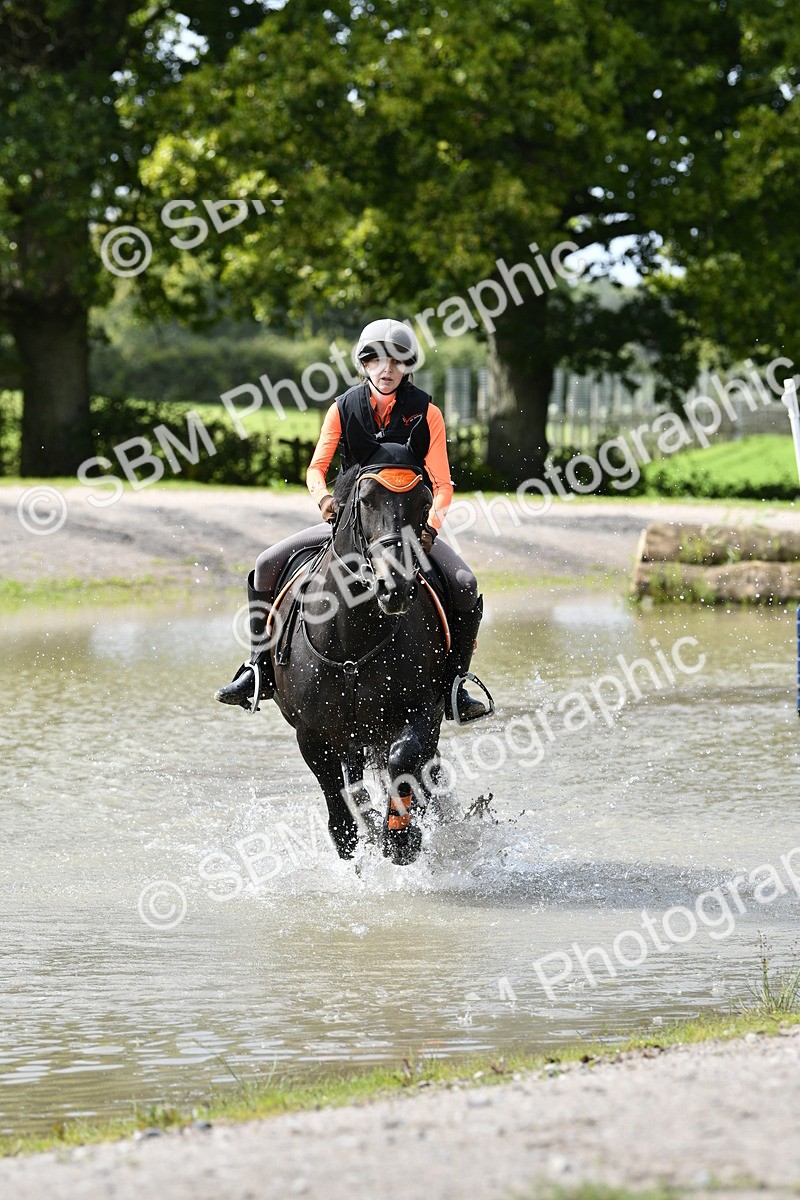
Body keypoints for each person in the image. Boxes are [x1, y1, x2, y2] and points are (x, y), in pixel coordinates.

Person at [215, 317, 491, 723]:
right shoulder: (343, 408)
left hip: (408, 529)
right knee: (265, 565)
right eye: (375, 360)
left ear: (407, 365)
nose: (386, 369)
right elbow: (316, 469)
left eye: (396, 361)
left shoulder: (427, 413)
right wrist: (324, 499)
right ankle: (257, 668)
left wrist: (430, 528)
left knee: (464, 583)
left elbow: (444, 484)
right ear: (364, 365)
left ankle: (455, 684)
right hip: (349, 522)